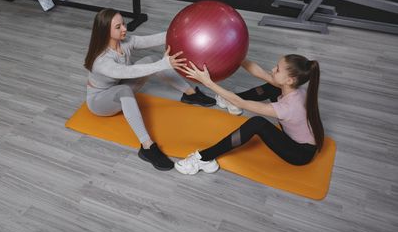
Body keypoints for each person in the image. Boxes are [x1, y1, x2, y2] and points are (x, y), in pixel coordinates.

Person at [84, 9, 216, 171]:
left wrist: (182, 31)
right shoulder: (102, 60)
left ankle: (191, 94)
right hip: (100, 102)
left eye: (123, 24)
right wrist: (164, 64)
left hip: (118, 87)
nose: (124, 28)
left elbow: (153, 39)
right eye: (118, 27)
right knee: (126, 89)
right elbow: (128, 72)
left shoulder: (125, 42)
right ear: (106, 31)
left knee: (151, 59)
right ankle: (147, 147)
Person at [174, 55, 324, 175]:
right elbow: (258, 72)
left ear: (289, 80)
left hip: (299, 153)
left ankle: (204, 158)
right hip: (300, 137)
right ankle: (229, 102)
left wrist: (208, 82)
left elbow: (242, 104)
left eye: (277, 70)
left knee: (257, 123)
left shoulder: (288, 107)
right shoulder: (294, 89)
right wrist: (236, 55)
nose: (273, 69)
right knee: (272, 88)